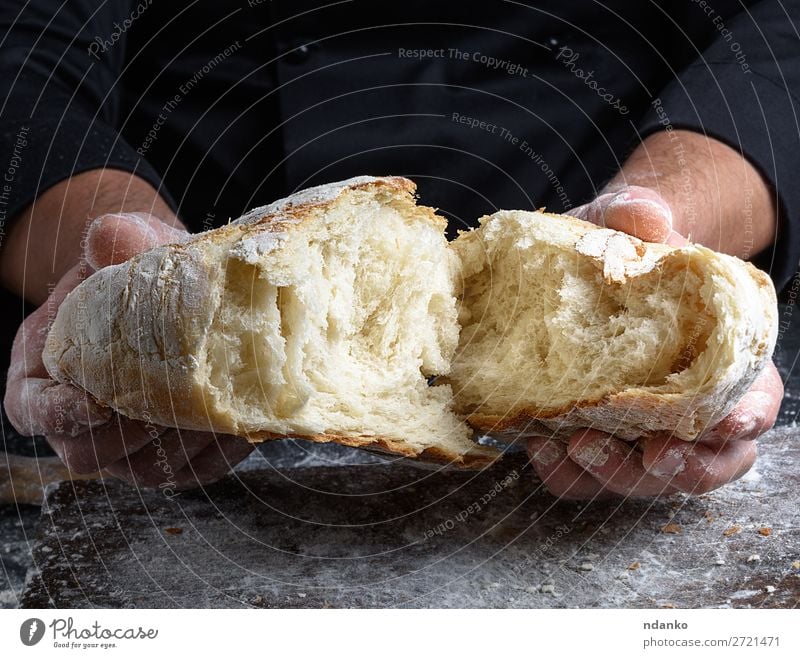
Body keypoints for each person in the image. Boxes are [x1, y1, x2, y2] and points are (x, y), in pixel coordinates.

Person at [0, 1, 793, 497]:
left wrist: (659, 223)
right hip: (190, 222)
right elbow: (21, 55)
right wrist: (132, 267)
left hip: (599, 178)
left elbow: (777, 30)